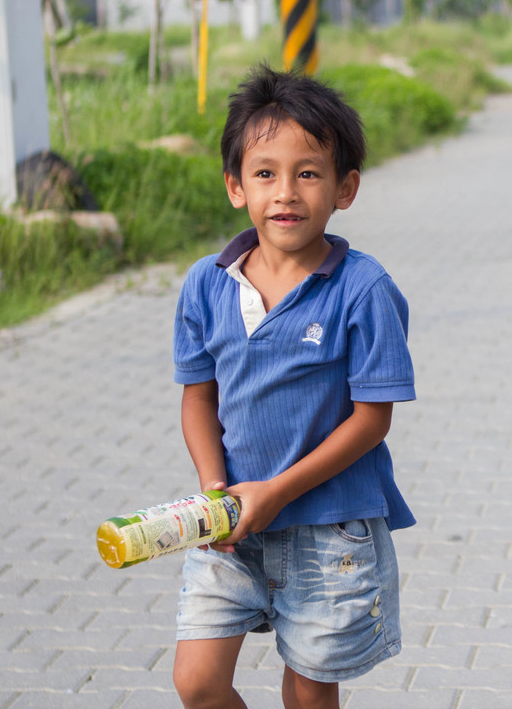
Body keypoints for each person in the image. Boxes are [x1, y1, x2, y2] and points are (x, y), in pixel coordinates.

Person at [170, 65, 417, 709]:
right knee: (197, 683)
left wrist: (276, 493)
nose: (286, 192)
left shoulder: (362, 289)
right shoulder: (206, 283)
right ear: (235, 186)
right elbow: (199, 397)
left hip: (327, 529)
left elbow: (372, 419)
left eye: (308, 173)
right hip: (230, 523)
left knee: (308, 695)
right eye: (264, 173)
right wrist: (213, 489)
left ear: (346, 188)